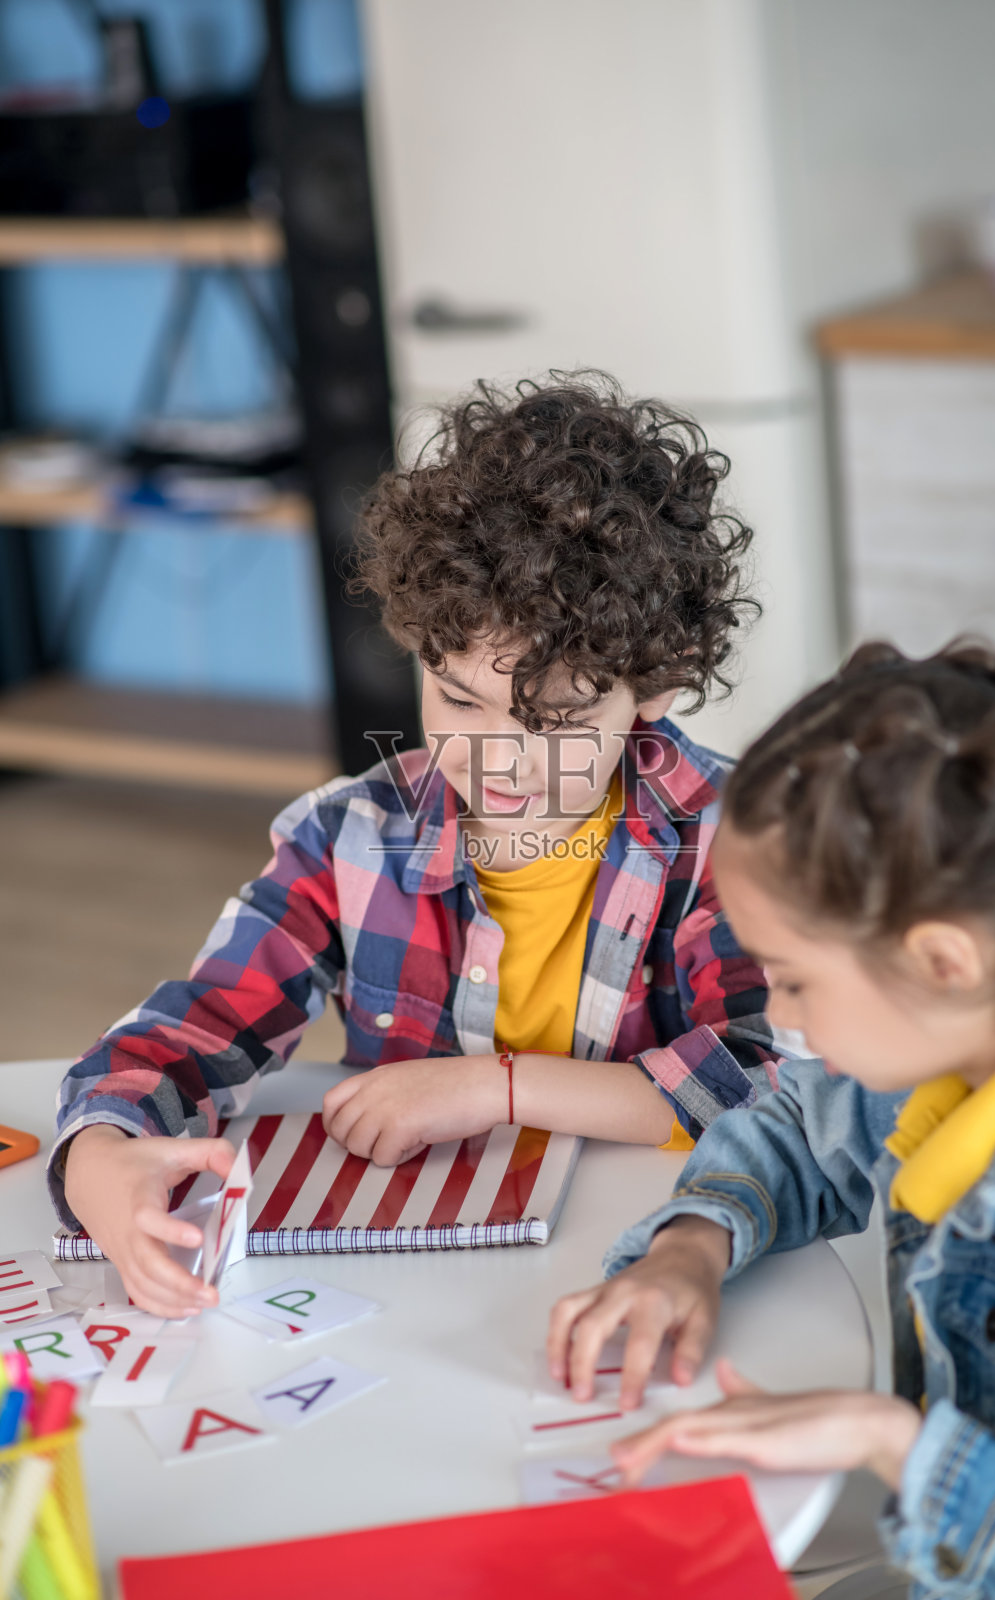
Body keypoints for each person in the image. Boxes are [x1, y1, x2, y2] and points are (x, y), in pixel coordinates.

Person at [50, 373, 789, 1320]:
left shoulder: (730, 837)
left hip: (638, 1255)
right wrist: (99, 1156)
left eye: (557, 718)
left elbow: (760, 1082)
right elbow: (201, 1026)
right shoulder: (346, 836)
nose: (498, 760)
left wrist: (496, 1089)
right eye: (458, 699)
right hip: (416, 1282)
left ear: (656, 683)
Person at [548, 638, 995, 1599]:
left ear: (942, 961)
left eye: (792, 980)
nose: (778, 1017)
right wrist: (690, 1245)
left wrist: (890, 1441)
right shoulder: (956, 1042)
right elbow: (798, 1129)